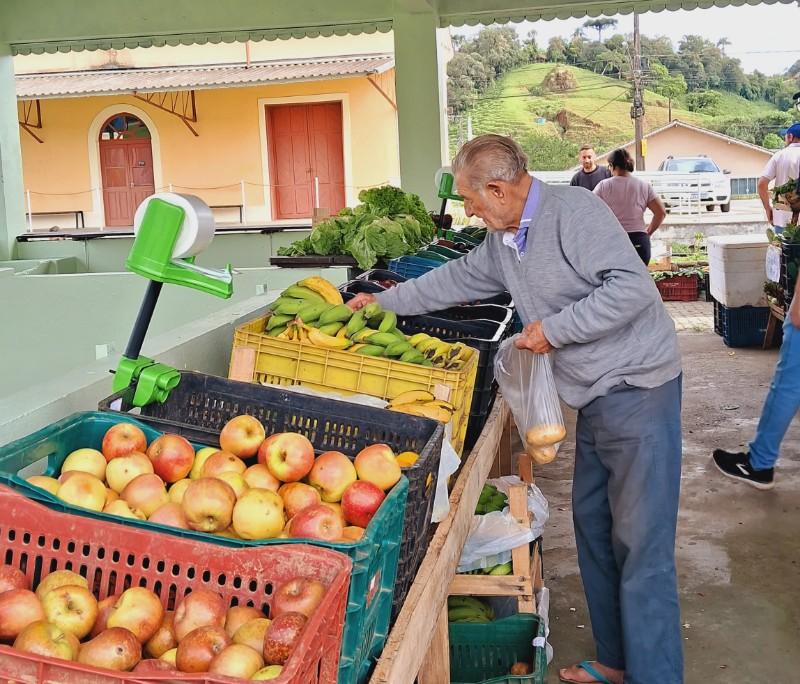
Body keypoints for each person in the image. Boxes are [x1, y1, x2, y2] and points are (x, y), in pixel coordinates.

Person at [349, 134, 684, 684]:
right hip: (593, 397)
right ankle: (617, 662)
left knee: (641, 545)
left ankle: (657, 676)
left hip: (638, 388)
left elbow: (631, 291)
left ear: (500, 189)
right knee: (595, 530)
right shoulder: (507, 239)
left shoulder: (574, 213)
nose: (469, 211)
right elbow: (456, 279)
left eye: (472, 201)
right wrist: (382, 301)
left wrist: (553, 331)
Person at [593, 148, 667, 266]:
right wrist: (648, 232)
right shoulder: (644, 186)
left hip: (613, 240)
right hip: (639, 241)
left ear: (612, 165)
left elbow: (590, 210)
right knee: (638, 281)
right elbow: (661, 213)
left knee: (615, 281)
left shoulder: (603, 186)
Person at [757, 122, 800, 233]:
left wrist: (767, 208)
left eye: (785, 136)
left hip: (783, 219)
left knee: (783, 249)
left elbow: (761, 184)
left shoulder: (780, 156)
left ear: (790, 137)